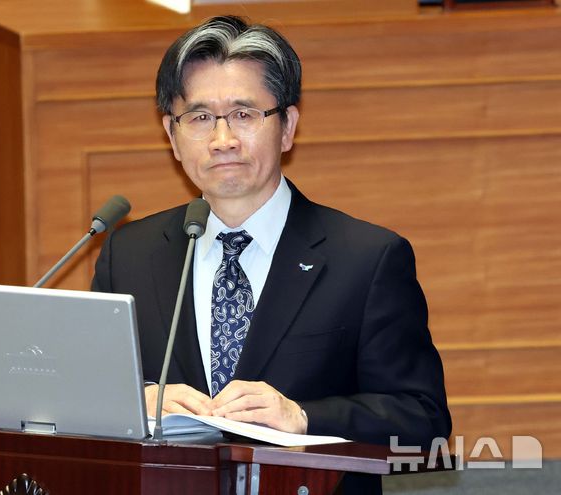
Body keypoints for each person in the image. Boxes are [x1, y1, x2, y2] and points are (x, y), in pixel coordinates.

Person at [92, 15, 451, 493]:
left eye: (244, 115)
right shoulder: (128, 255)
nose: (222, 140)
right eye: (199, 118)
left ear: (287, 127)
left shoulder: (367, 260)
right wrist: (135, 403)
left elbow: (424, 424)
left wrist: (303, 416)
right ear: (172, 136)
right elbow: (83, 395)